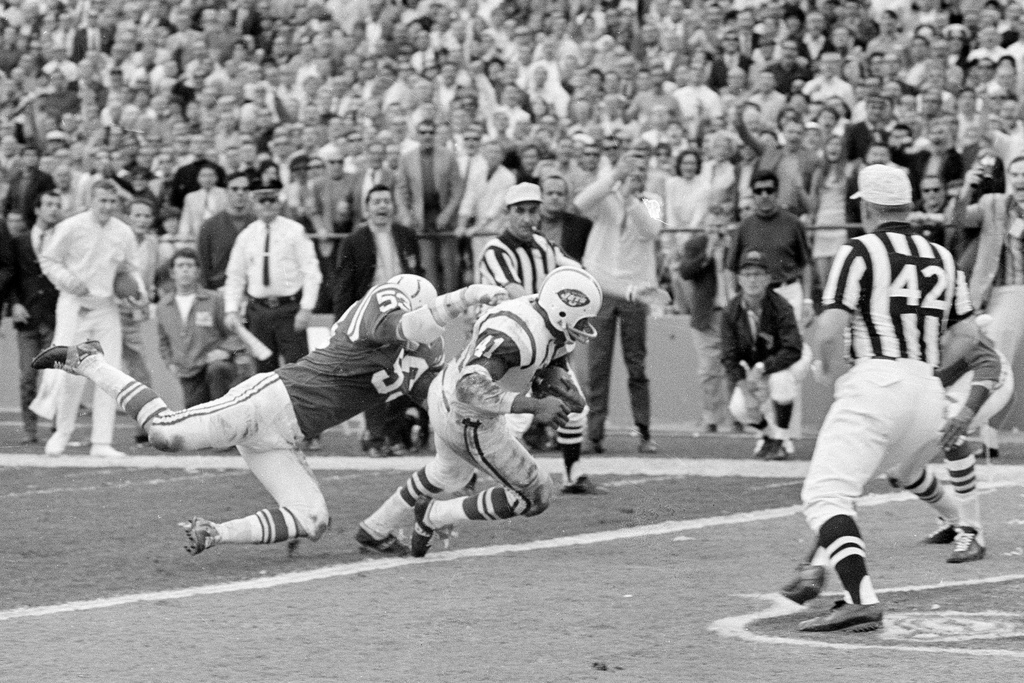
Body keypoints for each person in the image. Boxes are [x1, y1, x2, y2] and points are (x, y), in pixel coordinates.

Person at [33, 275, 508, 555]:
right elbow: (403, 324)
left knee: (312, 519)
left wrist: (460, 474)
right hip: (272, 399)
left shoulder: (425, 353)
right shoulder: (384, 304)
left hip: (287, 435)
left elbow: (440, 403)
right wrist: (465, 298)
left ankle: (215, 532)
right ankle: (89, 360)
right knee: (164, 434)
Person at [795, 164, 978, 633]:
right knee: (889, 474)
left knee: (826, 494)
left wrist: (821, 353)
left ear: (869, 207)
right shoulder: (941, 255)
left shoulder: (861, 249)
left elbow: (832, 327)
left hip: (877, 382)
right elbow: (968, 334)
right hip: (927, 391)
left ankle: (859, 597)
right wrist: (931, 368)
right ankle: (813, 567)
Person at [357, 266, 601, 557]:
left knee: (445, 473)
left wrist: (552, 380)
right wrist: (535, 406)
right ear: (563, 311)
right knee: (536, 496)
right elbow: (470, 387)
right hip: (467, 414)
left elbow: (548, 354)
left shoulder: (545, 313)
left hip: (444, 392)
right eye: (583, 319)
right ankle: (434, 514)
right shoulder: (517, 336)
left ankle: (375, 528)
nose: (586, 327)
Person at [476, 182, 594, 492]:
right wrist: (555, 308)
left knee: (573, 406)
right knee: (508, 419)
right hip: (509, 345)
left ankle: (572, 474)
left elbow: (581, 273)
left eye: (533, 211)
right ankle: (493, 479)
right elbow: (515, 293)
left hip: (545, 345)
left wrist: (630, 290)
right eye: (520, 211)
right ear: (508, 214)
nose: (528, 218)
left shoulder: (545, 246)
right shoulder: (495, 251)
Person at [38, 180, 143, 458]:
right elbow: (48, 260)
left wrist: (138, 294)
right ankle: (62, 433)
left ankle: (101, 442)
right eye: (102, 201)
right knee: (70, 372)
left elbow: (131, 269)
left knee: (109, 374)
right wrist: (68, 280)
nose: (107, 207)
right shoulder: (71, 226)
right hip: (73, 305)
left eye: (112, 202)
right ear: (91, 200)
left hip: (106, 307)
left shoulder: (124, 232)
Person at [575, 154, 666, 454]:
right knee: (597, 366)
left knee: (636, 365)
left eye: (642, 170)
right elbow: (581, 202)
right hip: (601, 291)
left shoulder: (652, 200)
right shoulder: (606, 195)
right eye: (632, 170)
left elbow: (651, 231)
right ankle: (595, 433)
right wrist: (614, 177)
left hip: (635, 293)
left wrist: (630, 200)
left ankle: (644, 431)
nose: (636, 176)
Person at [332, 184, 424, 457]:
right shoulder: (354, 241)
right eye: (376, 202)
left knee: (408, 374)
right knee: (375, 377)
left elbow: (418, 275)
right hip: (371, 318)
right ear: (366, 208)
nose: (382, 206)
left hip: (406, 316)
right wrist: (342, 323)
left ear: (393, 206)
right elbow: (344, 286)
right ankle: (374, 436)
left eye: (387, 201)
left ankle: (396, 435)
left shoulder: (406, 236)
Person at [223, 179, 322, 374]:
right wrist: (231, 309)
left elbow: (311, 271)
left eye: (272, 200)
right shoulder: (246, 236)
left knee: (298, 369)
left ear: (279, 202)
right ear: (254, 204)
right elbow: (235, 276)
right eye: (262, 201)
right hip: (258, 313)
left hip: (289, 311)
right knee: (264, 372)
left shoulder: (295, 231)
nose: (267, 205)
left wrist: (306, 308)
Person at [721, 250, 804, 459]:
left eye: (758, 274)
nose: (752, 280)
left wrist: (761, 368)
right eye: (747, 274)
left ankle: (781, 439)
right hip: (756, 366)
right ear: (739, 279)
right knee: (739, 408)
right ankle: (769, 437)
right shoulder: (730, 312)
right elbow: (728, 356)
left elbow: (793, 348)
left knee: (781, 382)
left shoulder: (781, 306)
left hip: (787, 361)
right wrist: (746, 391)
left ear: (768, 278)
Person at [156, 248, 245, 407]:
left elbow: (235, 334)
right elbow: (163, 341)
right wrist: (170, 363)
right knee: (194, 417)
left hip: (213, 366)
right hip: (187, 371)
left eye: (190, 266)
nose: (185, 270)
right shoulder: (164, 306)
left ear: (197, 271)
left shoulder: (214, 299)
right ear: (172, 272)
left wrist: (224, 351)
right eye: (180, 265)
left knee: (217, 372)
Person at [678, 206, 734, 434]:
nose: (716, 231)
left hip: (733, 314)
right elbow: (685, 272)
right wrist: (708, 253)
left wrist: (727, 248)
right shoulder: (696, 245)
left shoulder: (735, 244)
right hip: (707, 315)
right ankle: (711, 418)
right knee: (709, 370)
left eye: (720, 226)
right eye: (712, 226)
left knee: (735, 368)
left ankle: (739, 418)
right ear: (704, 226)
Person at [9, 193, 60, 444]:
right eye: (49, 204)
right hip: (27, 316)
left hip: (56, 316)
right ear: (38, 209)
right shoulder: (18, 241)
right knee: (28, 378)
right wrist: (15, 303)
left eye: (57, 205)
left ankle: (58, 428)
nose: (54, 209)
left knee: (58, 376)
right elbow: (11, 275)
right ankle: (30, 430)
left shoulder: (65, 238)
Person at [196, 172, 256, 290]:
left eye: (245, 189)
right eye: (234, 189)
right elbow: (202, 264)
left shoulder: (257, 224)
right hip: (219, 289)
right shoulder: (209, 226)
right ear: (226, 192)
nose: (240, 193)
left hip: (253, 290)